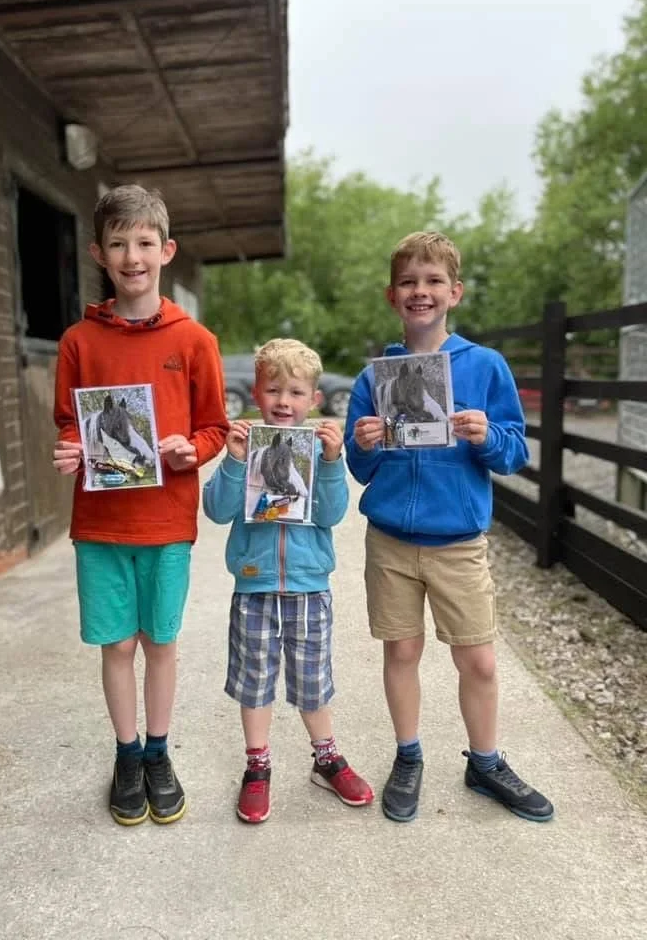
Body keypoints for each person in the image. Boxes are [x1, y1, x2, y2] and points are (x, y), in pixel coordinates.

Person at [345, 231, 554, 824]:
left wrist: (486, 435)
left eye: (433, 281)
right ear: (392, 295)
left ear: (454, 292)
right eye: (409, 281)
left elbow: (515, 453)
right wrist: (363, 445)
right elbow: (360, 468)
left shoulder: (485, 367)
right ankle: (408, 755)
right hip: (390, 542)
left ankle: (484, 762)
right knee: (402, 650)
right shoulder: (377, 377)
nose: (421, 291)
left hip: (459, 542)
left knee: (480, 662)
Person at [53, 184, 229, 826]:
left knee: (160, 642)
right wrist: (71, 447)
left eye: (145, 243)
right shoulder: (78, 341)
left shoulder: (196, 341)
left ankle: (159, 751)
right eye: (120, 244)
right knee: (116, 646)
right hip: (99, 525)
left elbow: (214, 425)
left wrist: (192, 451)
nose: (134, 256)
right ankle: (126, 753)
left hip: (166, 524)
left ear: (167, 251)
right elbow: (70, 422)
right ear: (100, 253)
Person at [203, 338, 374, 823]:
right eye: (274, 390)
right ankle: (257, 767)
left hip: (308, 585)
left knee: (312, 681)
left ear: (314, 400)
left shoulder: (320, 452)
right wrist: (234, 461)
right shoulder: (245, 446)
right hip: (254, 586)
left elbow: (334, 514)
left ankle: (326, 758)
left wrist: (334, 463)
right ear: (256, 393)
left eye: (296, 392)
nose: (284, 401)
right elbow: (215, 511)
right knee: (255, 681)